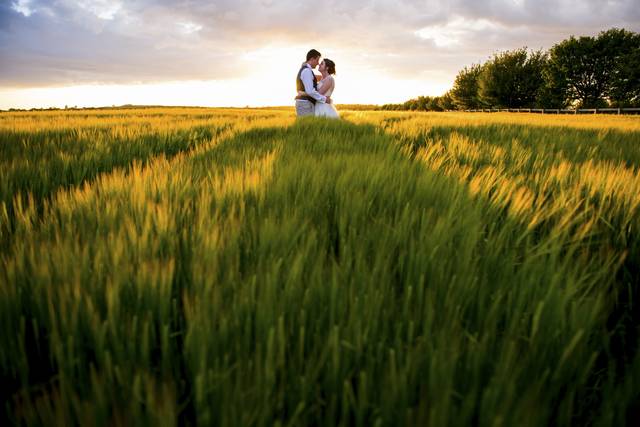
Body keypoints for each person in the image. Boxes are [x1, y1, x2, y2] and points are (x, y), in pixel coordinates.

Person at [295, 49, 331, 117]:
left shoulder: (306, 70)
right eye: (317, 60)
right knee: (306, 126)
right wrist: (324, 99)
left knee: (306, 126)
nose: (318, 63)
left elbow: (318, 80)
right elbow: (310, 91)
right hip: (305, 104)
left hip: (305, 103)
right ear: (311, 59)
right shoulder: (307, 71)